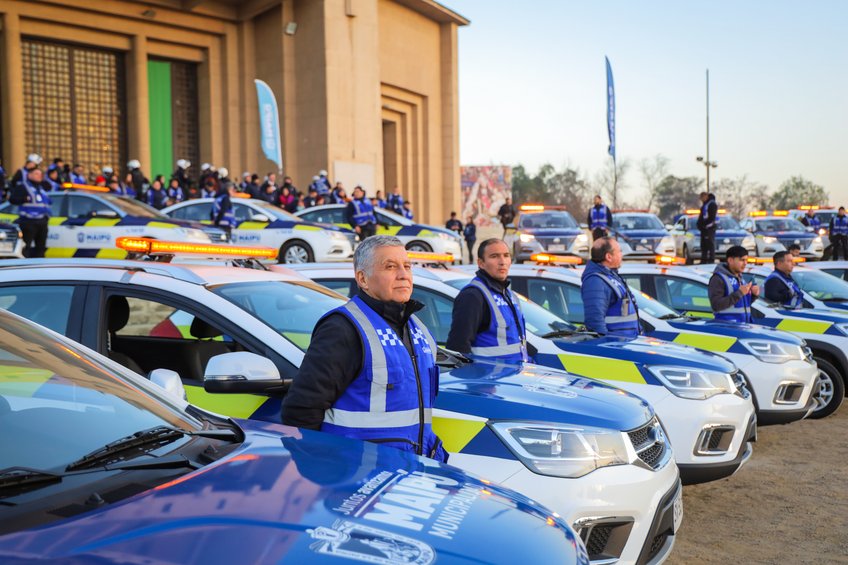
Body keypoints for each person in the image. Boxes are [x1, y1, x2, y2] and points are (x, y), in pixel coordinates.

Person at [281, 235, 447, 462]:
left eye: (407, 266)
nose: (403, 274)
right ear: (363, 279)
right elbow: (301, 410)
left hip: (408, 472)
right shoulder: (342, 328)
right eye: (390, 266)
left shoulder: (418, 328)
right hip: (358, 475)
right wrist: (324, 471)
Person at [446, 238, 530, 362]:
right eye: (494, 256)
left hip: (514, 372)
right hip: (488, 373)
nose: (502, 262)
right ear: (481, 263)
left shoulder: (509, 294)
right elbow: (458, 346)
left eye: (506, 255)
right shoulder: (473, 296)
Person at [581, 237, 640, 337]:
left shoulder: (611, 276)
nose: (621, 255)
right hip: (615, 344)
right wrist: (606, 343)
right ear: (609, 257)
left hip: (625, 341)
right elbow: (595, 322)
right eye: (619, 251)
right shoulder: (596, 281)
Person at [708, 245, 759, 323]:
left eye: (746, 260)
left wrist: (754, 295)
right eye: (742, 260)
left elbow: (740, 305)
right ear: (730, 260)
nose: (745, 263)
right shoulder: (718, 278)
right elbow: (716, 305)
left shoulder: (740, 278)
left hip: (743, 325)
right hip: (727, 326)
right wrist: (740, 293)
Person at [9, 166, 51, 258]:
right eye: (36, 174)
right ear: (29, 175)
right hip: (28, 222)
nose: (39, 176)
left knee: (41, 248)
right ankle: (25, 264)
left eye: (40, 174)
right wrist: (24, 199)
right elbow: (12, 200)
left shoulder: (41, 187)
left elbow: (49, 186)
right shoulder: (23, 187)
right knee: (26, 247)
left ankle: (39, 265)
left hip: (42, 222)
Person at [697, 191, 718, 264]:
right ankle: (704, 259)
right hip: (704, 228)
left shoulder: (711, 204)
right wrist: (699, 224)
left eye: (702, 197)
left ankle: (711, 260)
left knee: (710, 244)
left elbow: (711, 217)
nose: (701, 199)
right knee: (704, 245)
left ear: (706, 196)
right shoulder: (705, 204)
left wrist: (704, 225)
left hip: (709, 228)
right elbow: (702, 216)